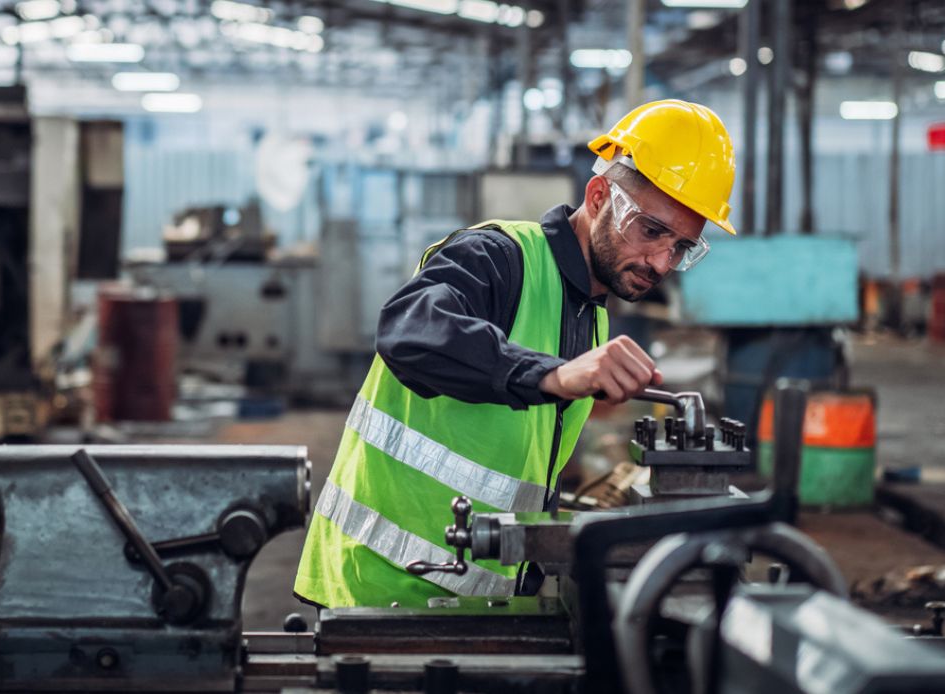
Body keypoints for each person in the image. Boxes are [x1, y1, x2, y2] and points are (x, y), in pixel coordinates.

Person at [294, 99, 737, 609]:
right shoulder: (498, 257)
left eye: (682, 247)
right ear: (598, 196)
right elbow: (408, 329)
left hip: (476, 602)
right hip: (382, 588)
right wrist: (553, 375)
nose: (662, 261)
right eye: (651, 229)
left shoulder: (591, 319)